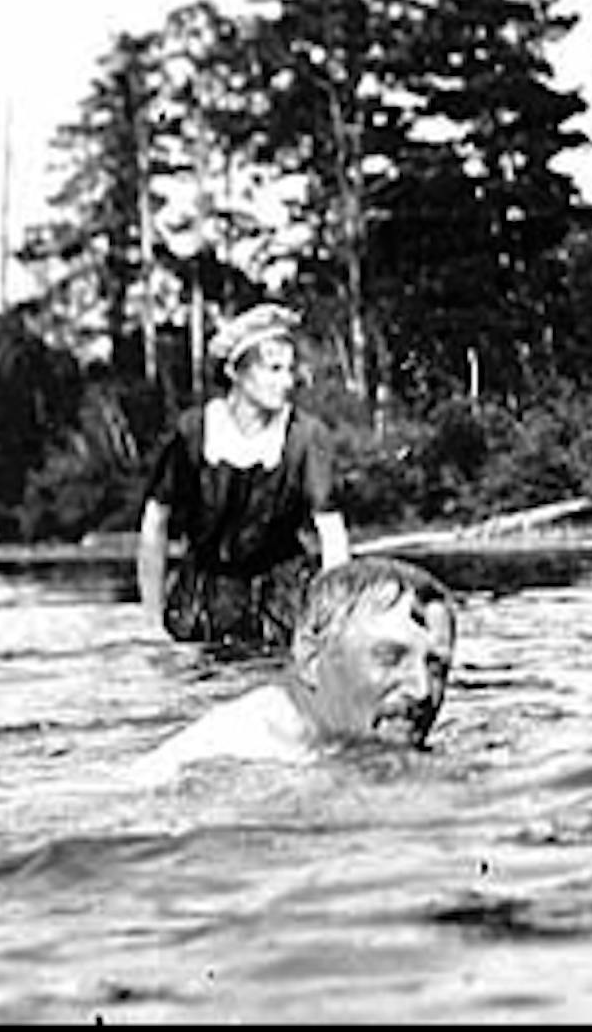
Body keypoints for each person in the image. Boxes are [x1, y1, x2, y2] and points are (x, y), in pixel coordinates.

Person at [136, 302, 351, 651]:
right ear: (237, 372)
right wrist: (151, 623)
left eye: (290, 369)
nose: (286, 382)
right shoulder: (194, 431)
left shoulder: (306, 437)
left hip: (283, 601)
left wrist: (332, 622)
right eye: (273, 369)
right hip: (200, 601)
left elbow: (332, 536)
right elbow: (154, 523)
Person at [126, 555, 458, 781]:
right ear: (311, 658)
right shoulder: (239, 761)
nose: (422, 690)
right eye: (389, 657)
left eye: (437, 669)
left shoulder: (333, 741)